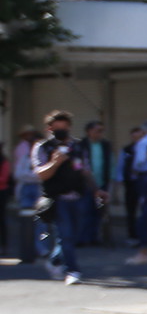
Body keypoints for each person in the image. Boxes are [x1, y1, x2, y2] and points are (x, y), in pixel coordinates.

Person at [31, 111, 94, 284]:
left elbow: (85, 170)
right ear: (50, 129)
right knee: (65, 235)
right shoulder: (43, 147)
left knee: (73, 235)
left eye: (64, 128)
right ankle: (72, 270)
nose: (61, 132)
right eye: (57, 129)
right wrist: (55, 162)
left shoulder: (78, 146)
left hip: (78, 195)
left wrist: (96, 190)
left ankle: (54, 260)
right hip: (57, 198)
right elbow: (41, 174)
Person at [82, 121, 114, 244]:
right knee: (84, 210)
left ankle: (95, 237)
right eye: (97, 131)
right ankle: (83, 237)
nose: (100, 134)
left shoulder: (106, 145)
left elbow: (111, 163)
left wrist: (111, 180)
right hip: (85, 184)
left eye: (102, 131)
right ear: (89, 131)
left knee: (99, 211)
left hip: (102, 183)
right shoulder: (81, 145)